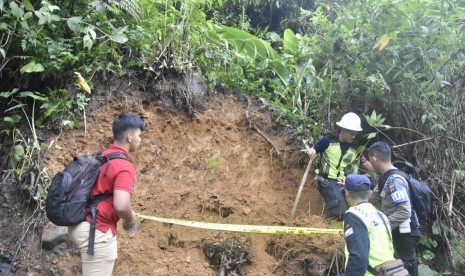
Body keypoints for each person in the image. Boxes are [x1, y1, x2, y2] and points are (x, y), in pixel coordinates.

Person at [68, 113, 145, 276]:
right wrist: (131, 219)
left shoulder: (101, 157)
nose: (140, 140)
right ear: (129, 136)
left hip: (80, 224)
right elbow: (121, 205)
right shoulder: (124, 166)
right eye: (139, 135)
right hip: (97, 231)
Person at [368, 141, 421, 276]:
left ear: (374, 159)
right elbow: (371, 197)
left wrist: (383, 226)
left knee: (408, 265)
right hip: (396, 230)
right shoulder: (385, 178)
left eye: (370, 159)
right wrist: (353, 187)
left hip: (404, 232)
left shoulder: (394, 180)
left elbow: (404, 211)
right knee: (397, 267)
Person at [308, 112, 373, 219]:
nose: (354, 136)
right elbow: (314, 149)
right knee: (339, 209)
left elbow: (365, 163)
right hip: (326, 179)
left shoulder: (355, 149)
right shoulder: (327, 141)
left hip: (343, 182)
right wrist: (312, 151)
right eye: (352, 133)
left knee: (352, 206)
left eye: (355, 133)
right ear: (343, 130)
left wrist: (379, 168)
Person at [341, 174, 395, 275]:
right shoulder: (381, 215)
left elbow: (359, 258)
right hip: (389, 271)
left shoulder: (353, 215)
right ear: (370, 194)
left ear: (347, 194)